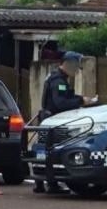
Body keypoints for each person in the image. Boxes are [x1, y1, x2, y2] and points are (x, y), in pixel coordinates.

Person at [34, 51, 98, 194]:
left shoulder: (56, 77)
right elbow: (60, 103)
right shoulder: (58, 81)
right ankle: (51, 184)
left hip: (49, 120)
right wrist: (81, 101)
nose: (77, 70)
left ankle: (41, 183)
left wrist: (81, 98)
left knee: (44, 151)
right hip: (54, 121)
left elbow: (65, 96)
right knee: (52, 152)